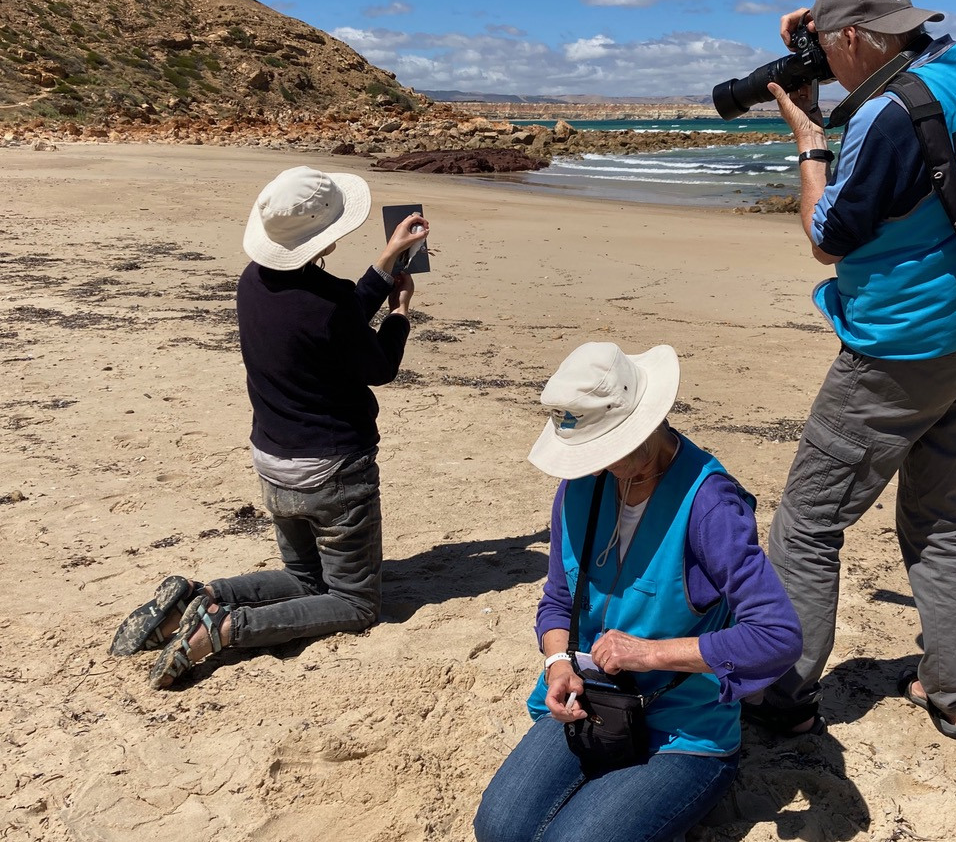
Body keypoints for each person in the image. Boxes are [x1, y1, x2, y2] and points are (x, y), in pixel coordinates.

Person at [746, 0, 956, 741]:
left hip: (897, 353)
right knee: (940, 517)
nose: (826, 68)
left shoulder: (885, 120)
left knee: (806, 523)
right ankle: (955, 692)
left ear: (856, 37)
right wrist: (826, 28)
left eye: (834, 49)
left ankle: (784, 695)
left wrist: (808, 140)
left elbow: (826, 238)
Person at [109, 165, 428, 689]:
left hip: (274, 460)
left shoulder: (252, 283)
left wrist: (385, 262)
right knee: (355, 602)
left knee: (304, 579)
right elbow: (377, 366)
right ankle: (228, 626)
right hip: (333, 471)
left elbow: (334, 318)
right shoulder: (327, 304)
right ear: (325, 238)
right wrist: (399, 315)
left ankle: (200, 597)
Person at [473, 342, 802, 842]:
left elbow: (776, 636)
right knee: (498, 828)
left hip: (682, 728)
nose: (594, 465)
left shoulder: (711, 505)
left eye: (605, 449)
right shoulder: (581, 484)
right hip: (593, 703)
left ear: (648, 424)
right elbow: (557, 601)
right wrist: (557, 663)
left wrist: (648, 654)